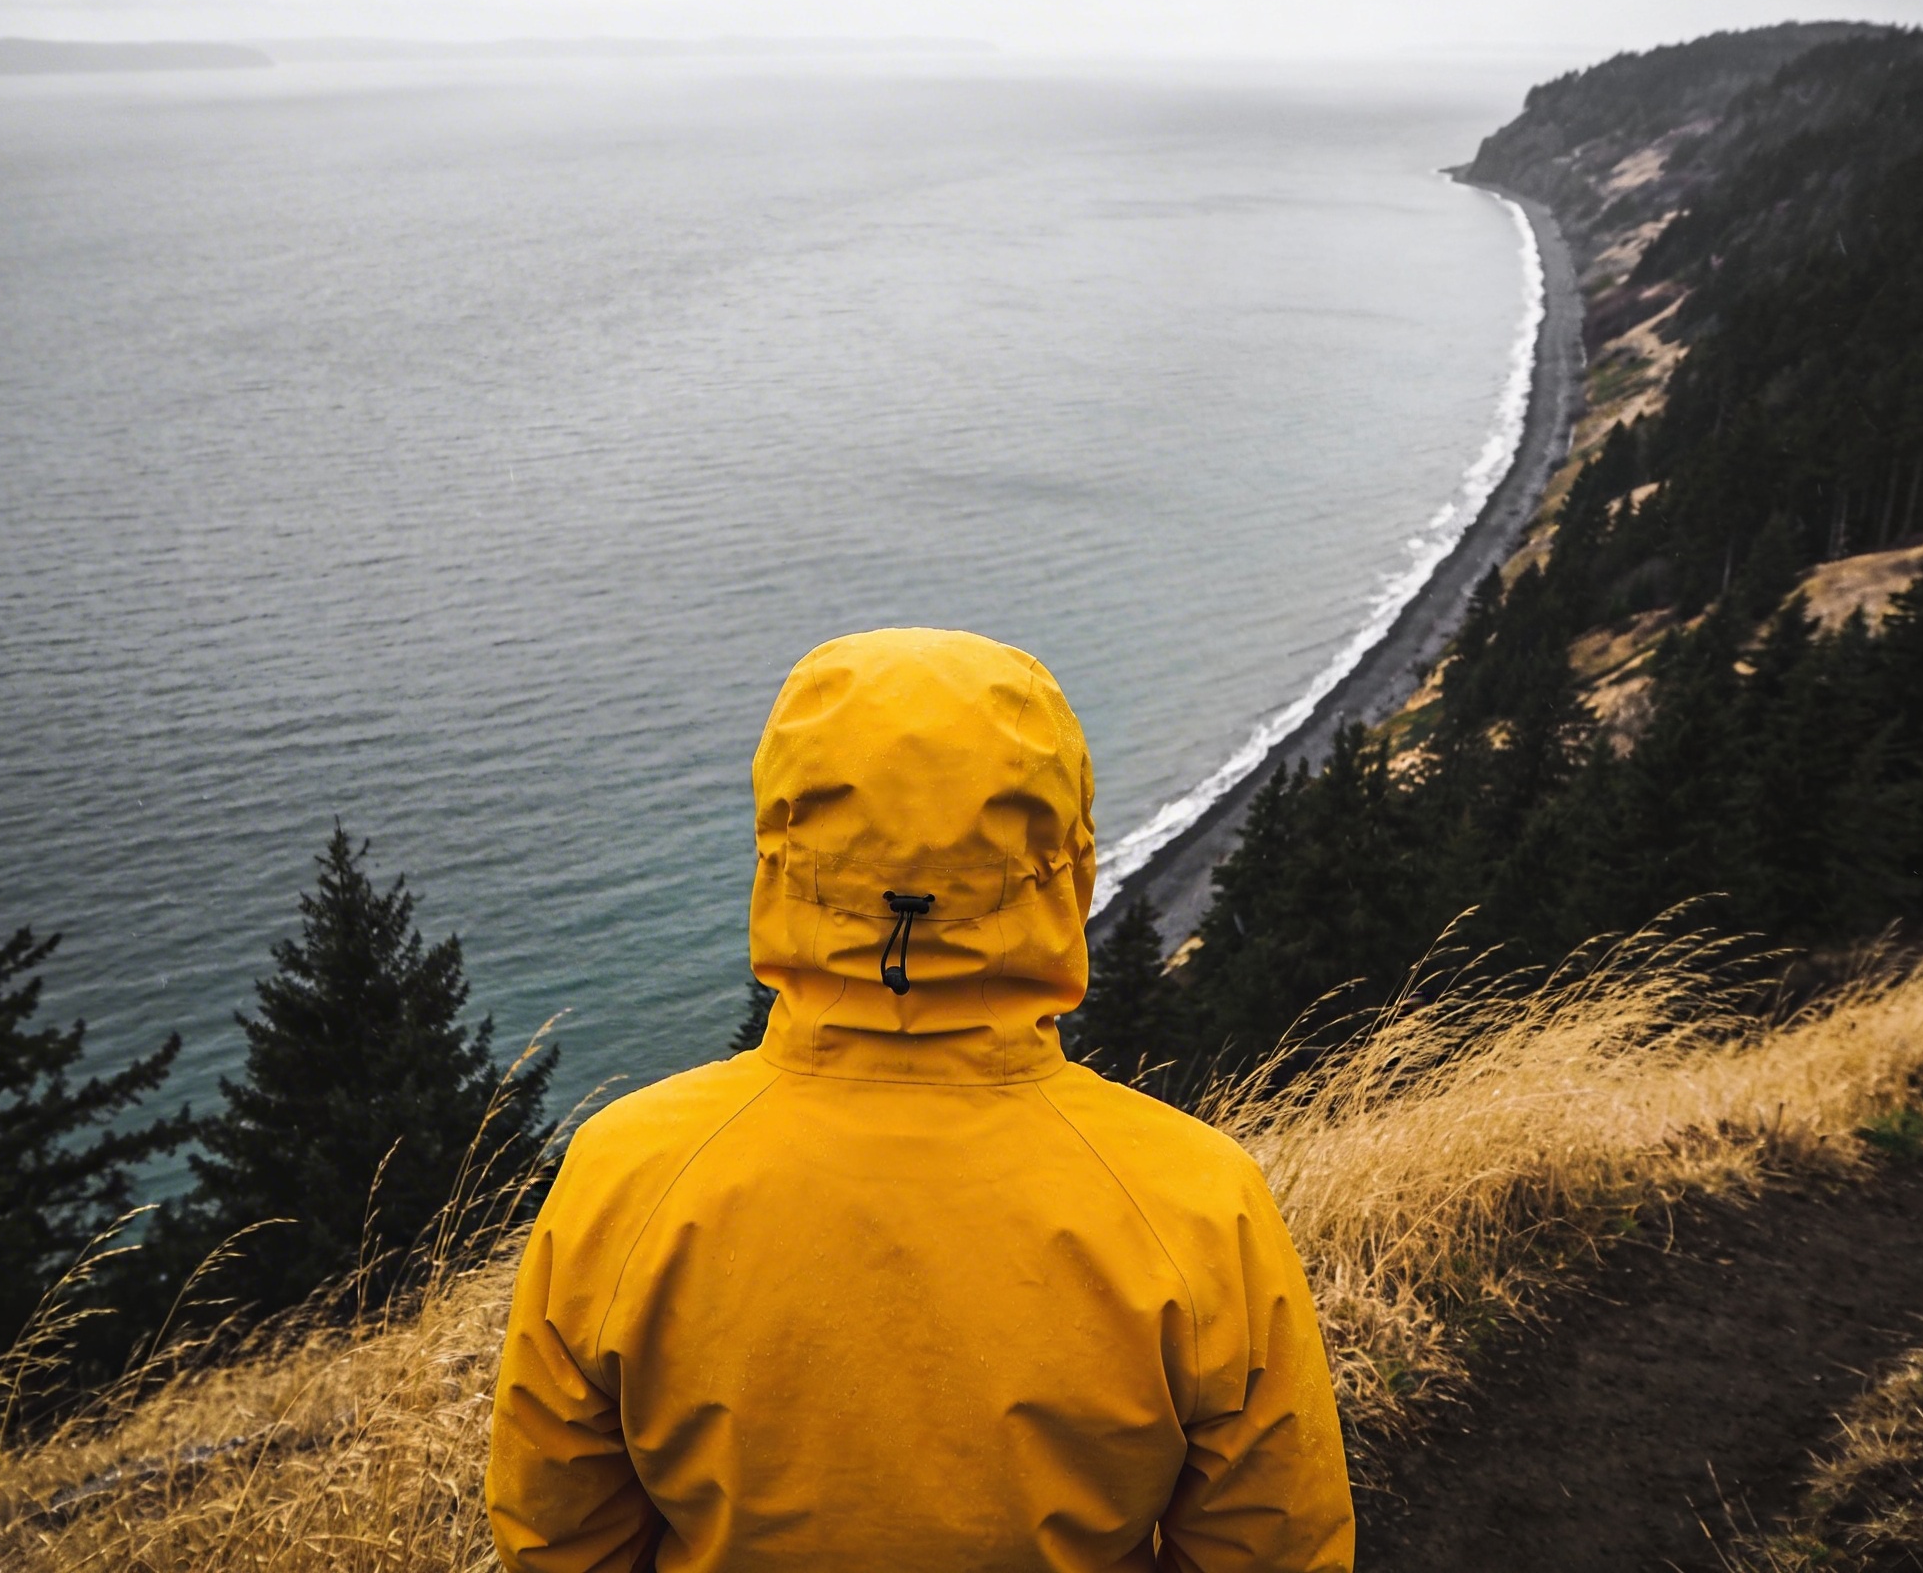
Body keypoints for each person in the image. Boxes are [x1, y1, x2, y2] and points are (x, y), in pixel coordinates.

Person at [487, 627, 1354, 1571]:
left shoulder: (627, 1174)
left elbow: (559, 1538)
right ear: (1066, 865)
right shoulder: (1195, 1200)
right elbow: (1276, 1548)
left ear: (779, 858)